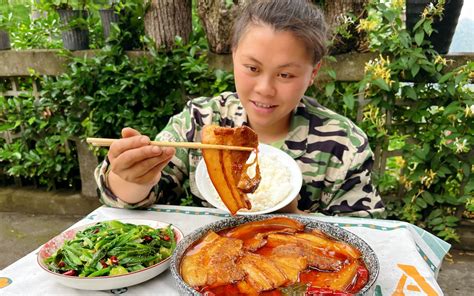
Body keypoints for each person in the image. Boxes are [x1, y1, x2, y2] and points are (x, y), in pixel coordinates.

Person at [95, 0, 384, 217]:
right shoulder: (201, 120)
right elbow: (130, 198)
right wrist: (131, 178)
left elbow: (368, 231)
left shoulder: (344, 143)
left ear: (313, 73)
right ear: (234, 56)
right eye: (252, 68)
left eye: (285, 75)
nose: (264, 89)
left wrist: (296, 218)